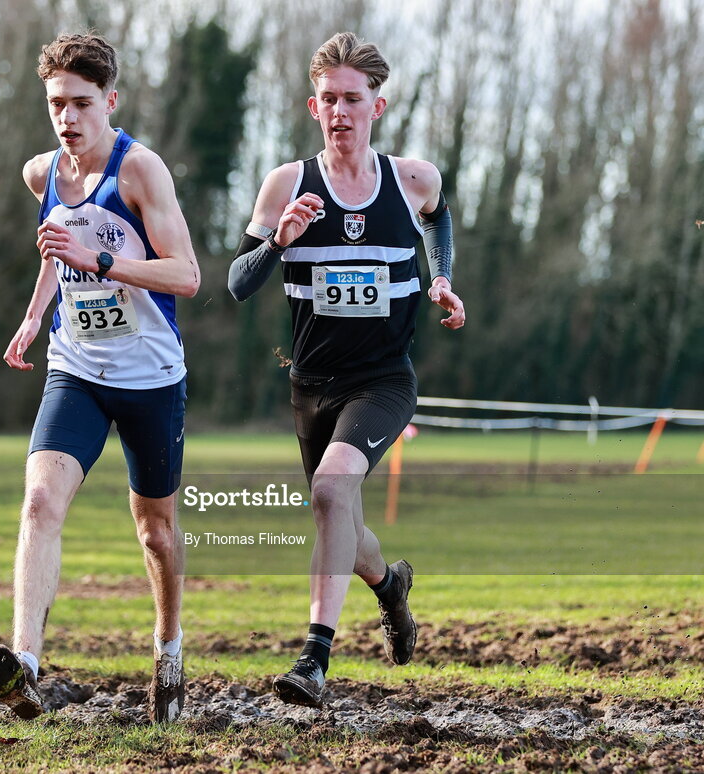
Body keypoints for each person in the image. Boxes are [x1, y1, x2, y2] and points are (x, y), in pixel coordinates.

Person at [228, 32, 465, 708]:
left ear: (377, 107)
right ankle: (389, 584)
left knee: (333, 491)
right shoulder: (286, 185)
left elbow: (438, 219)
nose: (340, 112)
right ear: (313, 105)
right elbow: (238, 285)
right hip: (312, 384)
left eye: (352, 100)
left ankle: (314, 657)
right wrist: (279, 241)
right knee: (341, 518)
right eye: (328, 99)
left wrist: (442, 277)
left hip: (384, 380)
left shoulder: (411, 179)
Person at [0, 32, 200, 724]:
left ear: (110, 100)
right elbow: (57, 244)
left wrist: (101, 263)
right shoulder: (40, 172)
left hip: (149, 377)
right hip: (74, 367)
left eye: (81, 103)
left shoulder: (142, 173)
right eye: (56, 104)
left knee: (156, 534)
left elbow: (188, 276)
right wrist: (31, 315)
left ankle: (168, 646)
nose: (68, 118)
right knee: (40, 502)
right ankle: (25, 666)